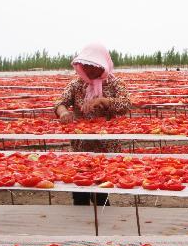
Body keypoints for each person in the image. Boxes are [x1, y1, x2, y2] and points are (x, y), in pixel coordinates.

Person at [54, 43, 132, 206]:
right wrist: (64, 113)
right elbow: (60, 103)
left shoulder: (114, 83)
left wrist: (104, 101)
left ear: (103, 65)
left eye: (93, 65)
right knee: (79, 188)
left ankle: (102, 224)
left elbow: (125, 105)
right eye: (86, 65)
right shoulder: (76, 85)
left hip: (106, 144)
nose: (89, 70)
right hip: (80, 144)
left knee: (101, 190)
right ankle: (82, 222)